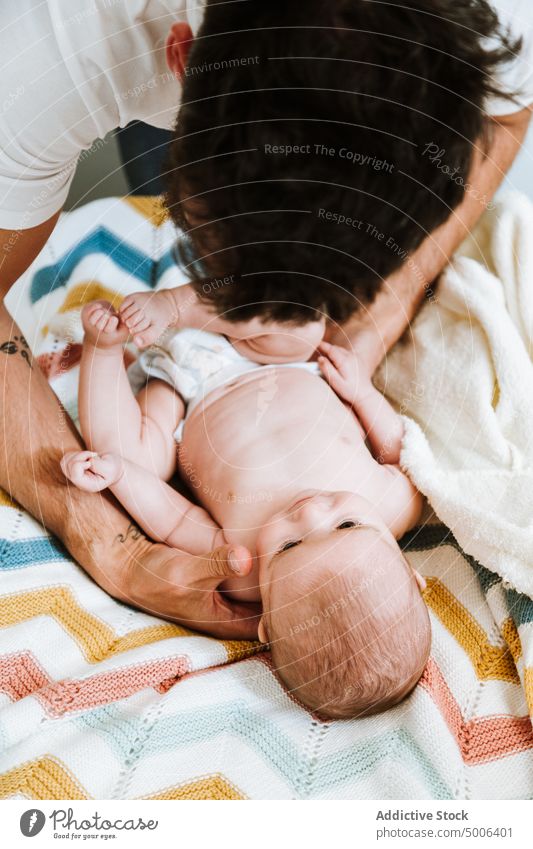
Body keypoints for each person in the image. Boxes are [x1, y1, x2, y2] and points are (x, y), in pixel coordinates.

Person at [1, 1, 532, 635]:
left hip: (197, 396)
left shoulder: (494, 20)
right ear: (182, 57)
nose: (312, 518)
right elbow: (405, 457)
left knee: (136, 450)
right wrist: (107, 546)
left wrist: (375, 323)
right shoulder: (41, 64)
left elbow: (505, 117)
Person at [60, 298, 430, 717]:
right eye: (346, 524)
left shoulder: (244, 568)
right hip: (278, 358)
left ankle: (103, 348)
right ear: (409, 572)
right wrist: (362, 392)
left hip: (186, 391)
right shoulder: (397, 504)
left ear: (266, 622)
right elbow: (397, 447)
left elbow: (175, 519)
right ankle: (189, 305)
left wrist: (121, 475)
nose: (309, 514)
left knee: (132, 453)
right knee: (304, 325)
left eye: (289, 547)